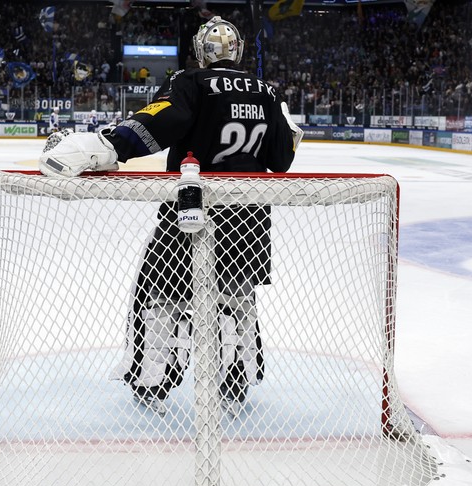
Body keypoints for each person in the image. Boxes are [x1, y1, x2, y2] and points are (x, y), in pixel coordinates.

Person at [39, 16, 303, 416]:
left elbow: (159, 122)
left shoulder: (192, 80)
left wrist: (103, 145)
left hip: (191, 214)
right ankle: (235, 384)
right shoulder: (267, 91)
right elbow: (280, 162)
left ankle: (153, 384)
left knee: (161, 296)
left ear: (202, 51)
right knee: (236, 300)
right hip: (249, 219)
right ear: (239, 50)